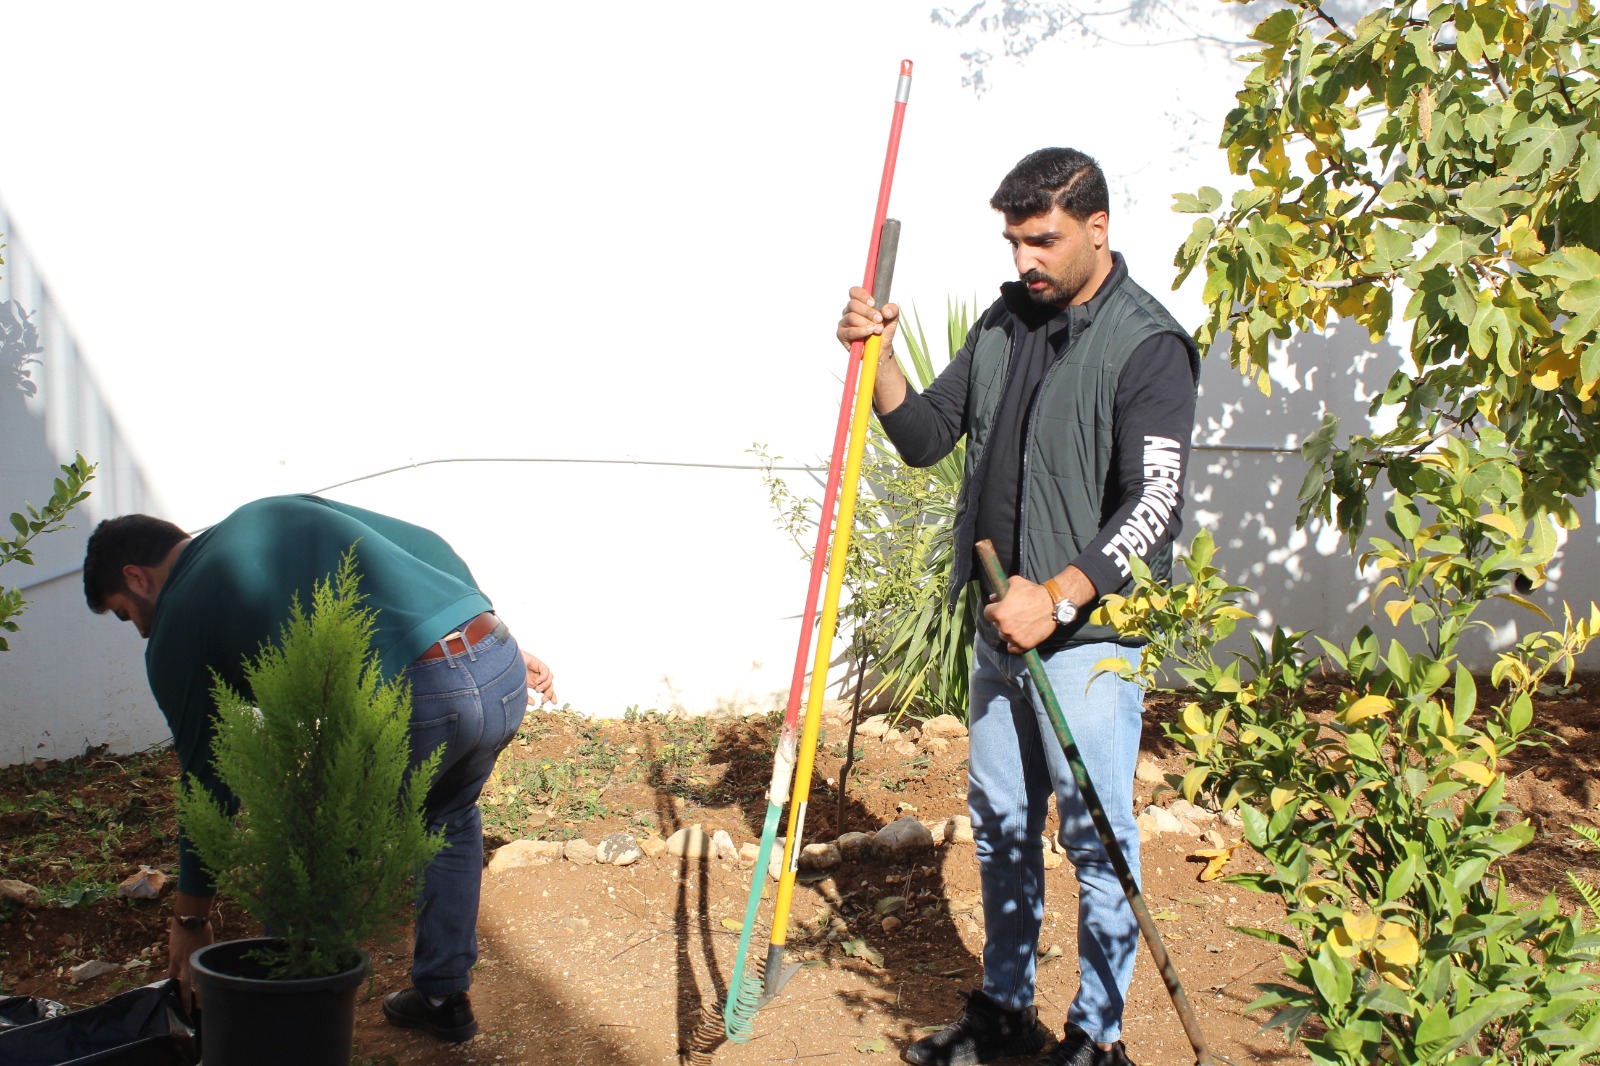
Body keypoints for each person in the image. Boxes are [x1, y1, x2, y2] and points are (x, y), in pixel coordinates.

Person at [837, 148, 1199, 1066]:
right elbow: (922, 435)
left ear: (1097, 229)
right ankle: (1005, 1013)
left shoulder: (1146, 343)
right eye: (1013, 240)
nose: (1025, 259)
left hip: (1085, 642)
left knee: (1097, 838)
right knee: (1003, 827)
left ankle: (1095, 1038)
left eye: (1042, 240)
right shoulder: (1005, 321)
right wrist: (877, 356)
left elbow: (1155, 505)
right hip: (999, 631)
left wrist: (1063, 594)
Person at [83, 494, 557, 1044]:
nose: (138, 629)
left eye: (125, 613)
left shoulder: (176, 623)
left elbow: (206, 782)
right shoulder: (270, 514)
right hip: (498, 663)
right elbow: (424, 545)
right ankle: (441, 996)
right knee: (448, 818)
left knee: (309, 850)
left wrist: (190, 919)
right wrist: (468, 634)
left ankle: (291, 1031)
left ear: (136, 577)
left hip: (422, 695)